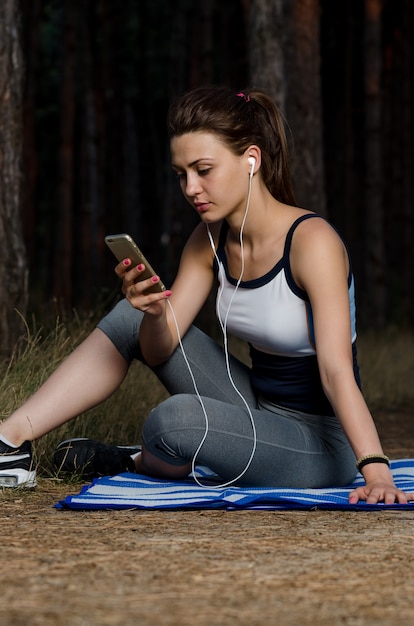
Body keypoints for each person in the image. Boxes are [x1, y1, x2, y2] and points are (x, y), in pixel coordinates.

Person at [0, 85, 412, 505]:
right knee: (130, 316)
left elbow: (336, 372)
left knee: (173, 421)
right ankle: (9, 442)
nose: (191, 188)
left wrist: (376, 470)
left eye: (203, 169)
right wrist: (155, 313)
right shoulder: (209, 238)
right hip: (256, 407)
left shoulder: (312, 243)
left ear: (251, 159)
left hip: (322, 442)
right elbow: (159, 350)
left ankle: (140, 463)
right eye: (181, 174)